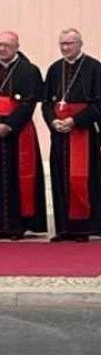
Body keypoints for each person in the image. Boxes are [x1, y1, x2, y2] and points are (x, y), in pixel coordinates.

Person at [42, 28, 101, 241]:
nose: (65, 48)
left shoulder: (95, 68)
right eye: (62, 44)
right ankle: (64, 228)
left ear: (80, 44)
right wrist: (53, 121)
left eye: (69, 43)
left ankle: (83, 228)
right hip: (60, 135)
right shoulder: (54, 69)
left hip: (83, 134)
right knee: (61, 179)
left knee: (82, 179)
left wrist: (75, 121)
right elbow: (46, 103)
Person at [0, 31, 47, 239]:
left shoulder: (29, 70)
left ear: (17, 47)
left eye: (7, 45)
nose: (2, 49)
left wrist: (9, 125)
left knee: (19, 178)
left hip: (19, 133)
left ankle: (18, 225)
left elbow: (29, 103)